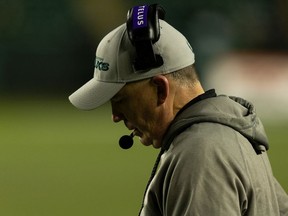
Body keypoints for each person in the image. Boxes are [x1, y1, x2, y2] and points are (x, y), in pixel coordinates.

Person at [69, 4, 288, 216]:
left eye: (120, 100)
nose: (115, 115)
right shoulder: (234, 138)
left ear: (160, 89)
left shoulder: (201, 154)